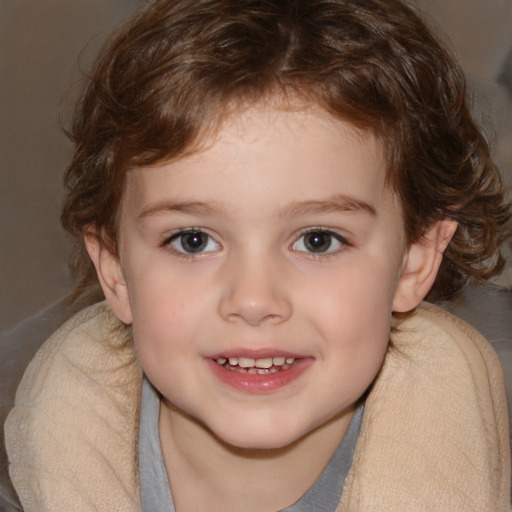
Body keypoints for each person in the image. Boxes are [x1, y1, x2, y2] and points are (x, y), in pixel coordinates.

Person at [5, 0, 511, 510]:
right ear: (114, 271)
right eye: (193, 240)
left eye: (318, 240)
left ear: (416, 259)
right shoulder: (45, 456)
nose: (252, 300)